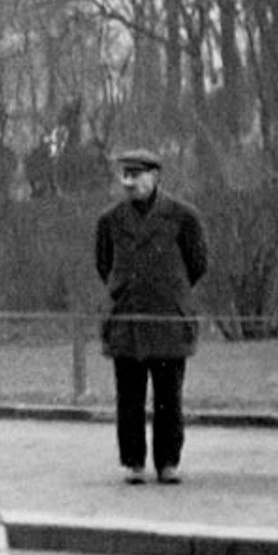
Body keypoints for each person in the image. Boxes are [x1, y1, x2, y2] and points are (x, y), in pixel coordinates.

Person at [94, 148, 208, 485]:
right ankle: (132, 462)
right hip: (127, 319)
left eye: (136, 176)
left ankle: (168, 462)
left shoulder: (183, 216)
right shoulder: (110, 220)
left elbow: (197, 264)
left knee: (168, 398)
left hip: (168, 321)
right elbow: (105, 265)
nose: (129, 183)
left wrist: (169, 293)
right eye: (124, 176)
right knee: (129, 397)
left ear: (154, 176)